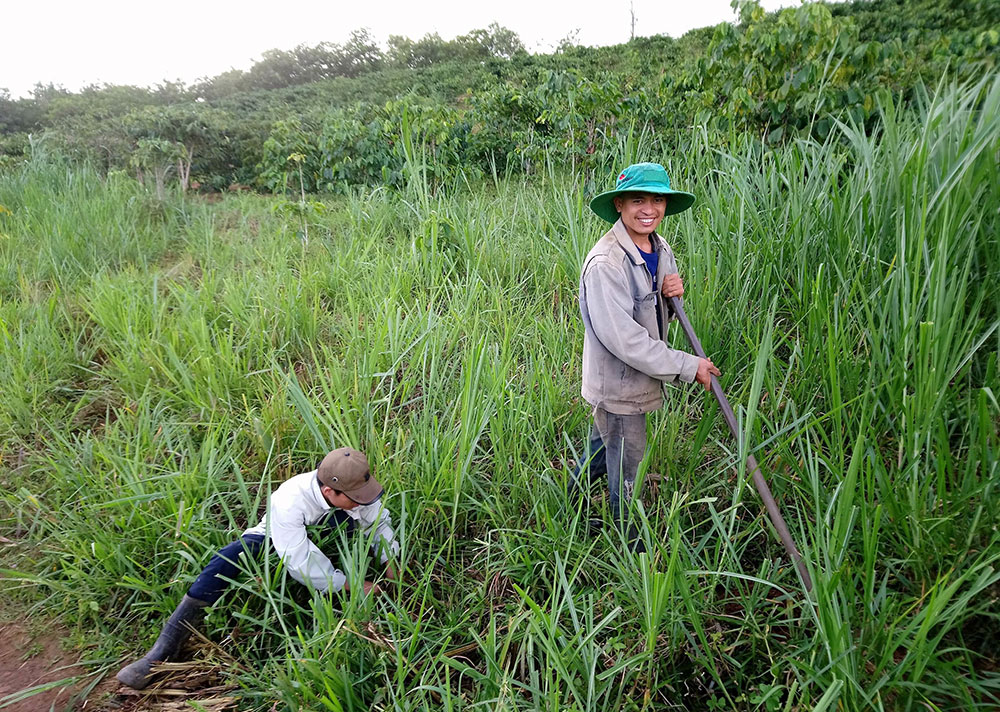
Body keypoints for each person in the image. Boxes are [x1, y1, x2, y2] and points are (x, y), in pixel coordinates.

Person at [116, 447, 400, 690]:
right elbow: (299, 561)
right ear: (329, 490)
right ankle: (165, 648)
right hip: (281, 537)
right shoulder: (289, 499)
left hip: (334, 530)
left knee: (351, 527)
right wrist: (351, 585)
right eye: (355, 497)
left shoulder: (355, 492)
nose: (363, 500)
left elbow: (379, 524)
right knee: (226, 558)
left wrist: (392, 563)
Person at [570, 162, 720, 549]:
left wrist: (671, 297)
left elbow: (652, 314)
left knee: (603, 448)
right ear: (619, 204)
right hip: (619, 387)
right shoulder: (606, 264)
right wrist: (689, 366)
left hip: (637, 378)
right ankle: (630, 546)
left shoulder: (659, 246)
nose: (648, 208)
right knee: (628, 470)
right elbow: (627, 340)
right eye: (638, 199)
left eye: (657, 199)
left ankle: (572, 507)